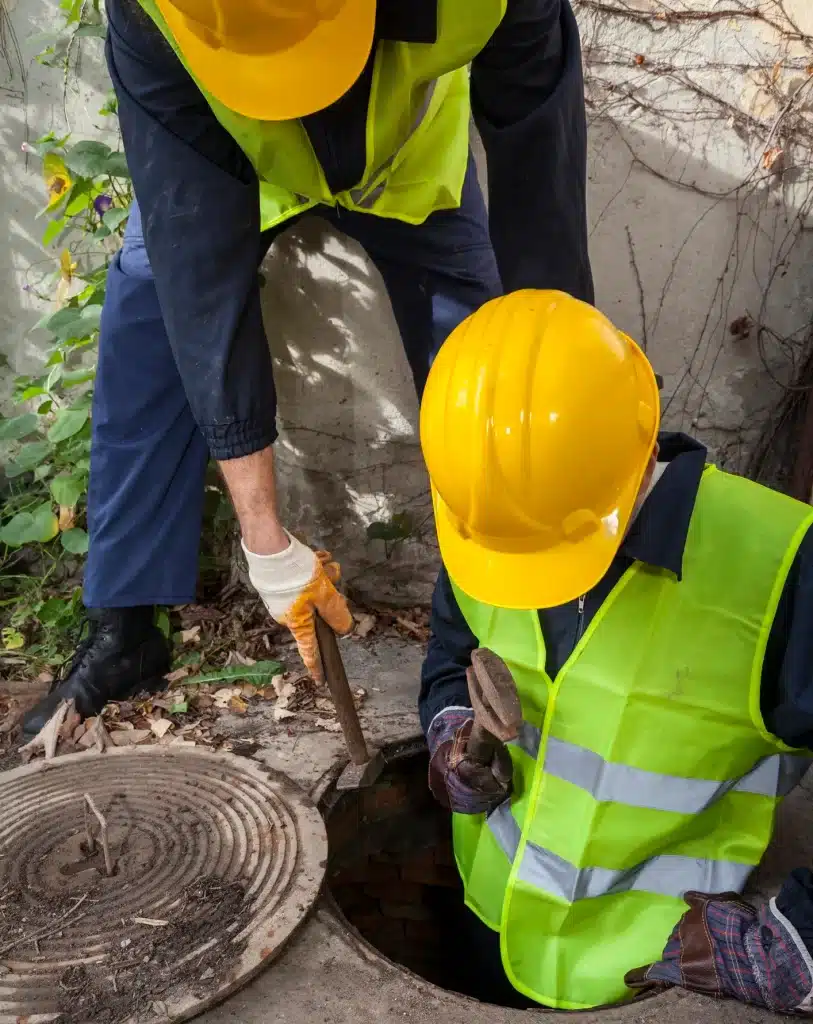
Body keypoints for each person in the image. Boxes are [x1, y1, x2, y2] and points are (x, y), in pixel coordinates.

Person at [23, 0, 594, 736]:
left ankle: (477, 640)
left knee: (486, 365)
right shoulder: (152, 11)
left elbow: (540, 194)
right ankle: (124, 629)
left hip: (402, 165)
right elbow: (197, 277)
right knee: (148, 316)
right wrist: (265, 540)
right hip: (235, 165)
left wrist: (562, 388)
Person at [418, 289, 813, 1012]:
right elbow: (454, 646)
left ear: (641, 443)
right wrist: (447, 729)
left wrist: (802, 943)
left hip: (645, 968)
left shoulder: (783, 568)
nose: (531, 570)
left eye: (558, 543)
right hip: (490, 917)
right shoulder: (496, 519)